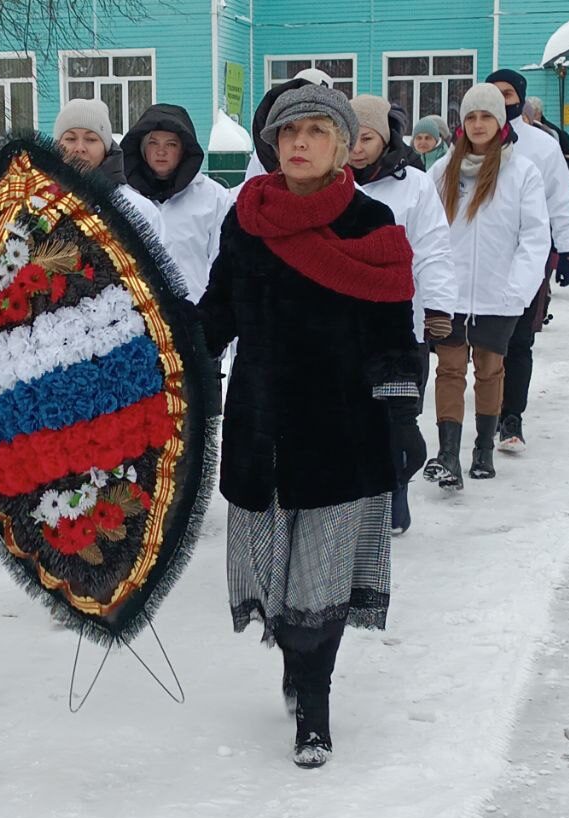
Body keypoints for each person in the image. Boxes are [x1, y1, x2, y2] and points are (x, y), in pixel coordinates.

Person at [196, 85, 420, 768]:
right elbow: (217, 314)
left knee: (320, 584)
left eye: (317, 131)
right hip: (261, 429)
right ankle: (296, 661)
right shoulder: (247, 218)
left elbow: (392, 332)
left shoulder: (370, 224)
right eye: (288, 131)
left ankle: (314, 709)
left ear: (343, 143)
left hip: (341, 432)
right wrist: (157, 345)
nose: (298, 142)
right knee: (277, 580)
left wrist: (401, 417)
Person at [424, 84, 551, 489]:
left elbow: (534, 237)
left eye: (486, 117)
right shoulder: (441, 172)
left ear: (500, 122)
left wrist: (517, 290)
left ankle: (482, 449)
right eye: (471, 117)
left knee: (491, 370)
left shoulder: (522, 172)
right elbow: (423, 232)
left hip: (500, 294)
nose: (478, 124)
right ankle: (447, 454)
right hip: (450, 293)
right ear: (462, 124)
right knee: (449, 369)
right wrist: (430, 285)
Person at [348, 94, 455, 534]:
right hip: (346, 323)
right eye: (349, 138)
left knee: (399, 417)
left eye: (366, 138)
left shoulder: (413, 184)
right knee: (354, 414)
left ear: (385, 137)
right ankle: (358, 498)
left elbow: (432, 248)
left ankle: (397, 485)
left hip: (403, 324)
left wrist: (438, 306)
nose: (356, 148)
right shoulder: (330, 181)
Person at [484, 69, 569, 455]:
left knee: (520, 339)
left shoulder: (542, 145)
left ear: (520, 98)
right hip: (484, 258)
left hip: (529, 257)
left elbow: (560, 198)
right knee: (487, 343)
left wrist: (568, 247)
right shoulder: (471, 143)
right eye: (494, 93)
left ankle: (512, 416)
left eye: (508, 94)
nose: (502, 101)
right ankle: (486, 412)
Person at [121, 103, 230, 302]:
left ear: (184, 150)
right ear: (142, 148)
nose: (161, 151)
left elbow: (224, 264)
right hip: (137, 317)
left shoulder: (213, 198)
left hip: (195, 314)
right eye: (153, 143)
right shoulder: (125, 198)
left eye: (171, 144)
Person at [53, 98, 164, 240]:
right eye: (70, 139)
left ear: (106, 148)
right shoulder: (36, 203)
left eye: (91, 139)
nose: (80, 148)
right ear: (57, 146)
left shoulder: (138, 210)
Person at [523, 96, 569, 163]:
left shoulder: (553, 131)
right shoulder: (521, 130)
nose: (531, 118)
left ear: (540, 113)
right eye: (527, 115)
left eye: (534, 114)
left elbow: (568, 157)